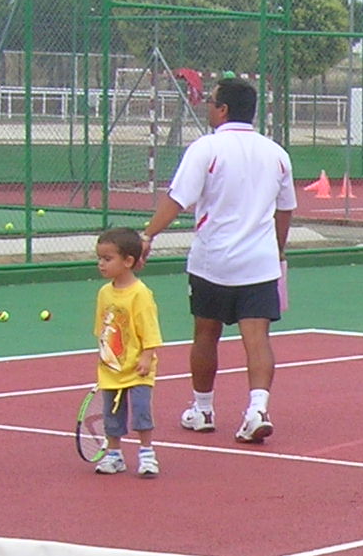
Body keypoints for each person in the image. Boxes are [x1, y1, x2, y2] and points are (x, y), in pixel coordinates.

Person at [142, 76, 294, 445]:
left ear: (223, 109)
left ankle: (203, 410)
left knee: (205, 333)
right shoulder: (277, 153)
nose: (206, 107)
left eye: (210, 102)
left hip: (213, 261)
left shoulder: (206, 148)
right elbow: (285, 209)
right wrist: (277, 249)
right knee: (257, 338)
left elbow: (178, 199)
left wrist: (147, 236)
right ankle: (257, 410)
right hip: (259, 263)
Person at [89, 227, 163, 478]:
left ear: (128, 261)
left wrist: (146, 356)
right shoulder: (104, 293)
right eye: (99, 258)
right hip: (112, 368)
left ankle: (147, 454)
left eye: (107, 259)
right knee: (111, 415)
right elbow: (102, 329)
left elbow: (150, 329)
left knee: (141, 411)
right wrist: (104, 358)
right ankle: (114, 454)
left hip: (138, 368)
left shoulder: (140, 294)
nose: (101, 264)